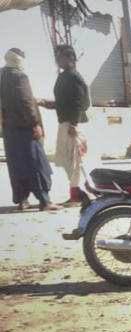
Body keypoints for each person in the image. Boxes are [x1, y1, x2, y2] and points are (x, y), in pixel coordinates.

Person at [0, 48, 59, 211]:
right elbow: (25, 102)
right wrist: (35, 124)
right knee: (36, 164)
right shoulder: (20, 76)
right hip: (25, 129)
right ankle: (45, 201)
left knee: (17, 165)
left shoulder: (1, 75)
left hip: (9, 129)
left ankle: (22, 200)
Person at [46, 45, 89, 206]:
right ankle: (76, 192)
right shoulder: (64, 76)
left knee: (75, 160)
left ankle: (78, 194)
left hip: (73, 124)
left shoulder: (74, 77)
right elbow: (64, 101)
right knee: (67, 160)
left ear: (71, 59)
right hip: (65, 122)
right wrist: (49, 104)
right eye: (56, 58)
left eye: (60, 57)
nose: (57, 61)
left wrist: (73, 124)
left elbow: (78, 102)